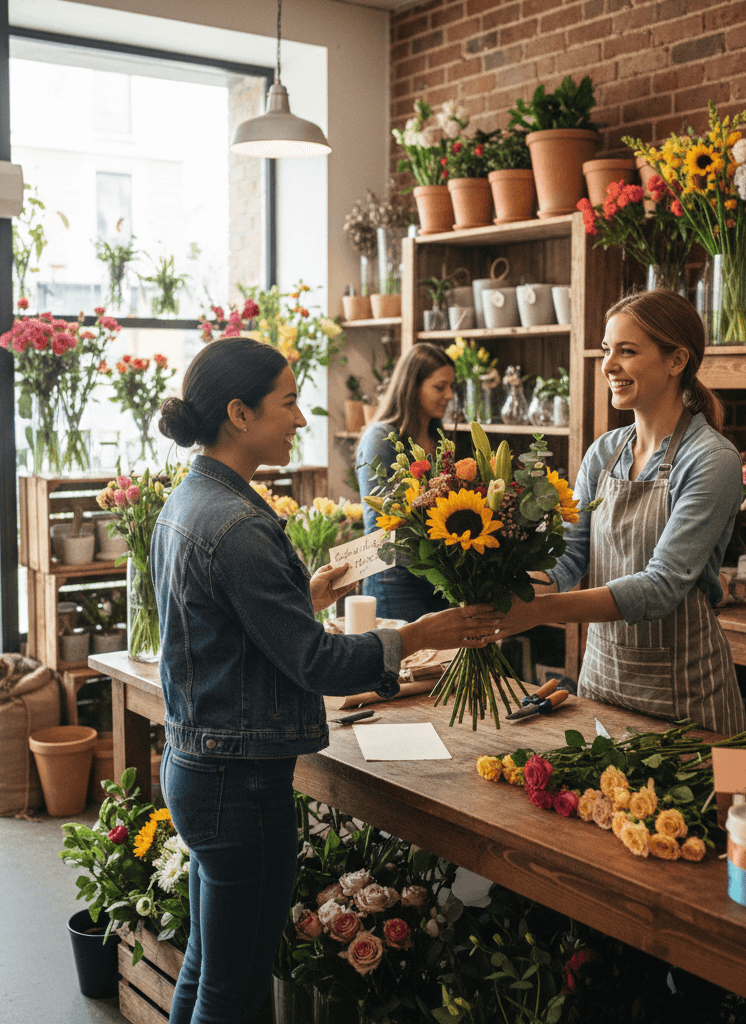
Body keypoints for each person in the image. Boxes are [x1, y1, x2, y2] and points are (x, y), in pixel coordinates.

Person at [150, 336, 500, 1024]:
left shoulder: (190, 501)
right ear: (239, 414)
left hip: (202, 766)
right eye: (288, 402)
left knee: (207, 973)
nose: (302, 418)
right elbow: (318, 664)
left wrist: (298, 597)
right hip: (240, 786)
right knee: (233, 991)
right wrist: (423, 634)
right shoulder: (241, 525)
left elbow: (219, 623)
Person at [488, 290, 746, 734]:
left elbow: (662, 586)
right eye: (608, 350)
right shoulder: (604, 452)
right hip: (602, 683)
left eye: (627, 351)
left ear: (676, 360)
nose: (608, 365)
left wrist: (532, 613)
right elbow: (570, 559)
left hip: (684, 698)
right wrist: (504, 588)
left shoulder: (712, 460)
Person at [356, 342, 456, 620]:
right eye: (439, 387)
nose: (449, 395)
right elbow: (385, 517)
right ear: (412, 386)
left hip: (440, 577)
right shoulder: (381, 438)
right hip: (394, 578)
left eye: (451, 387)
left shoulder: (441, 441)